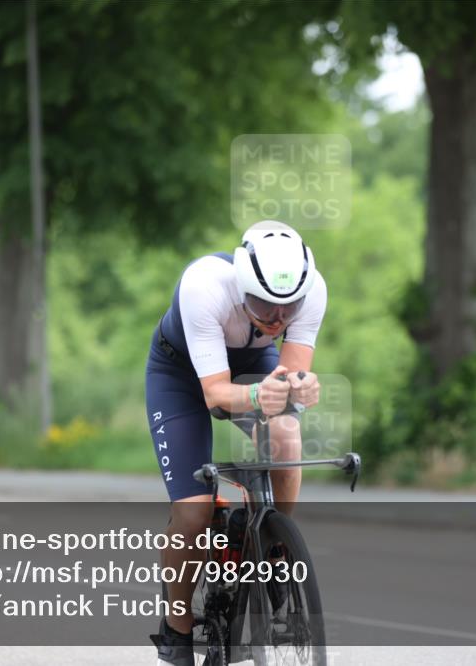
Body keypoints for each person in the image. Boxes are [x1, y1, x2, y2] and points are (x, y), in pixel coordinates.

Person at [145, 220, 326, 666]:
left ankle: (275, 548)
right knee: (194, 509)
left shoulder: (313, 289)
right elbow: (215, 396)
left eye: (289, 308)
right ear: (243, 287)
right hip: (182, 375)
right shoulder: (203, 286)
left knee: (285, 433)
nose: (278, 318)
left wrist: (298, 388)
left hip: (250, 364)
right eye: (265, 304)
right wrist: (255, 396)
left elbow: (289, 373)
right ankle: (177, 628)